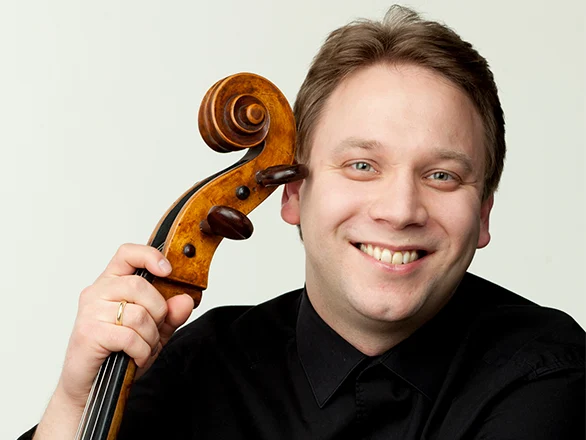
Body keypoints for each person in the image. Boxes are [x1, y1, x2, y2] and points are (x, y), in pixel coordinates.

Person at [21, 5, 584, 439]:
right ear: (291, 194)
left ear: (483, 214)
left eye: (441, 176)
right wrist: (75, 402)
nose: (401, 209)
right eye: (362, 165)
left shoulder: (544, 372)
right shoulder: (202, 365)